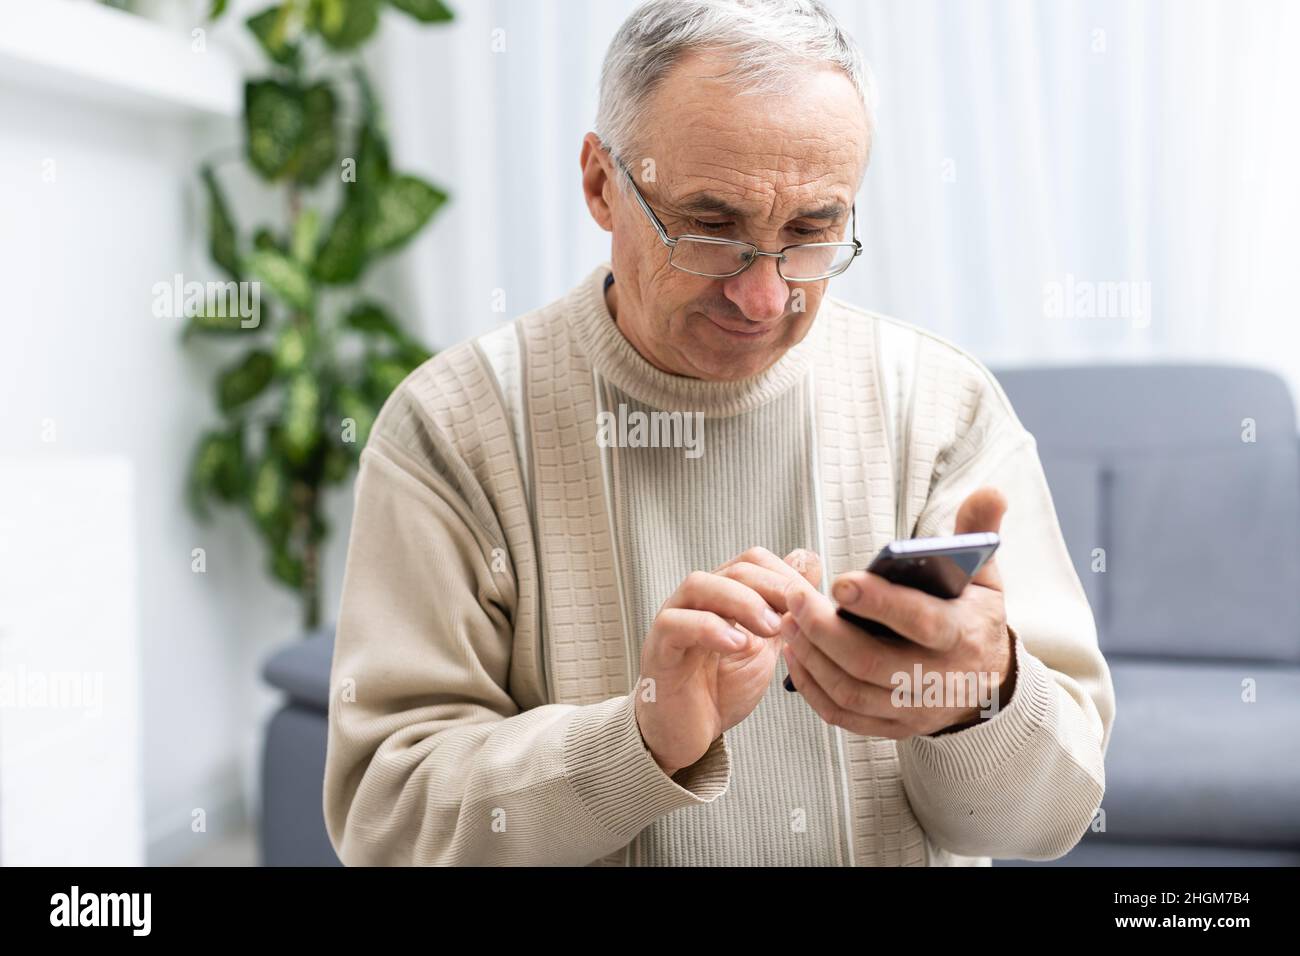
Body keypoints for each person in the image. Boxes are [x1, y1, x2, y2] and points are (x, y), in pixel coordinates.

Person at [323, 0, 1114, 866]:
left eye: (812, 232)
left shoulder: (942, 407)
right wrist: (639, 742)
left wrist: (979, 695)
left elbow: (1048, 822)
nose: (764, 297)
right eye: (709, 229)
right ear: (600, 183)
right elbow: (385, 821)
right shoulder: (452, 427)